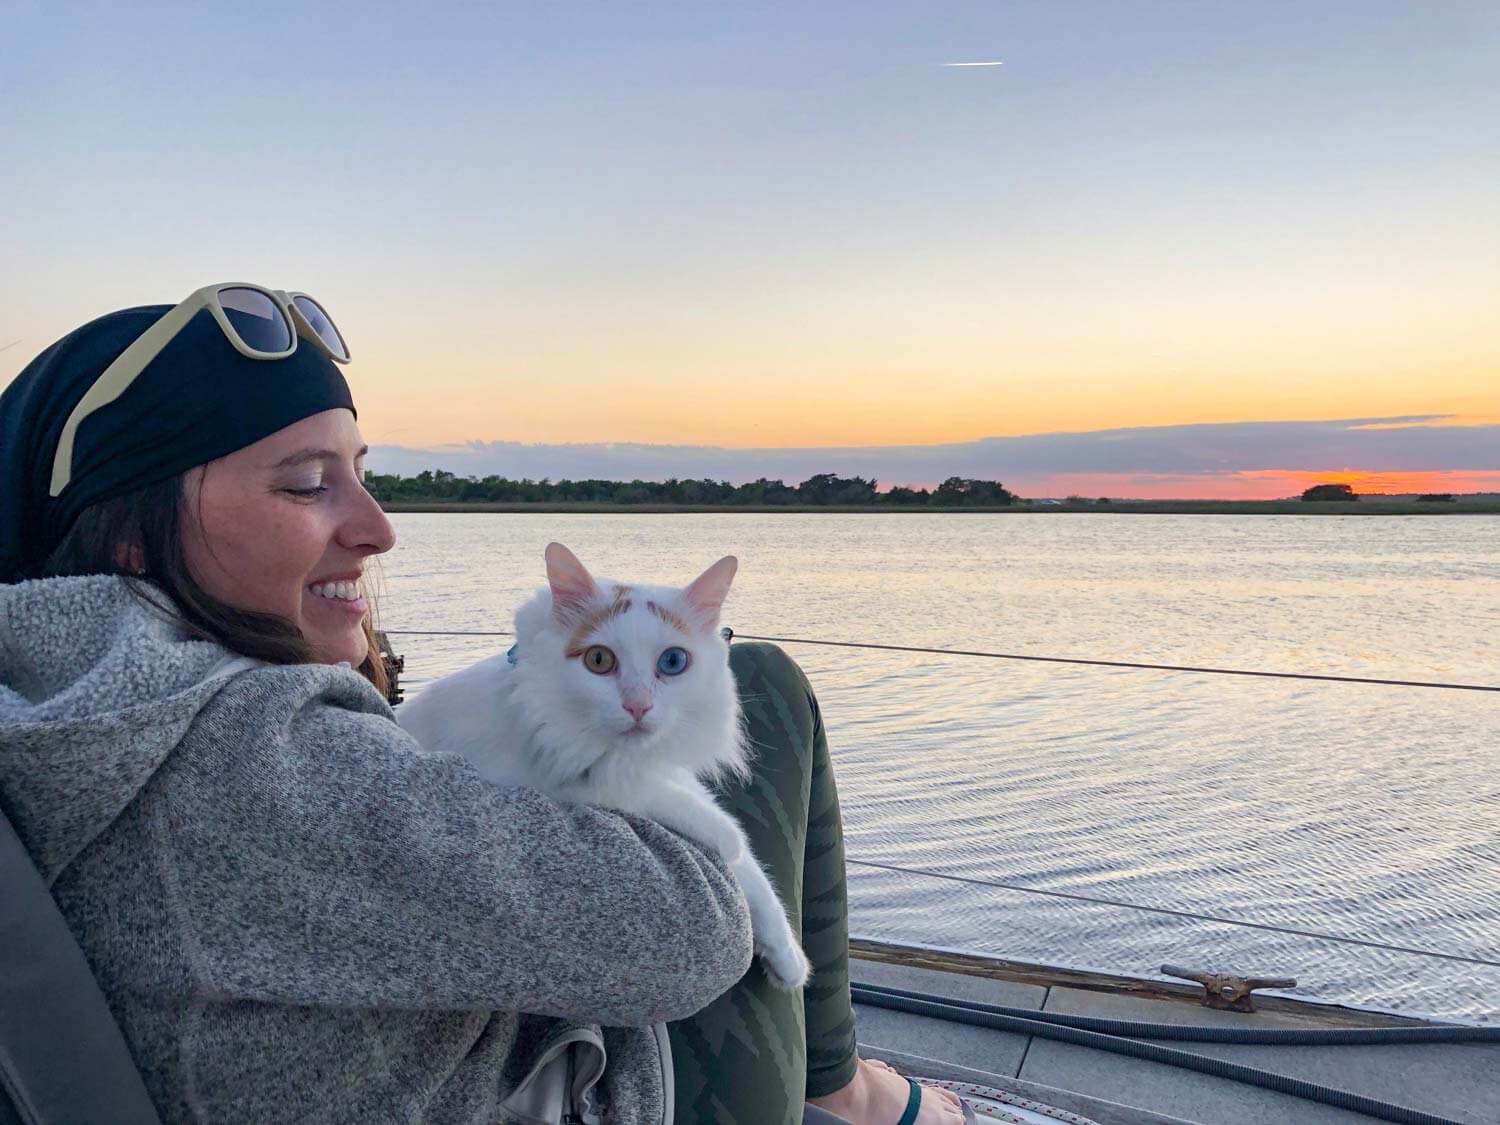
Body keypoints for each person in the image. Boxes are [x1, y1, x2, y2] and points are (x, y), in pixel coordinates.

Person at [0, 285, 968, 1124]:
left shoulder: (69, 703)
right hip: (581, 1088)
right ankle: (847, 1095)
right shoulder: (244, 751)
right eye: (307, 485)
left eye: (362, 473)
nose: (379, 529)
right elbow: (687, 940)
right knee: (759, 682)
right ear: (129, 534)